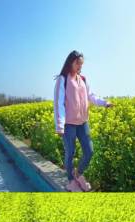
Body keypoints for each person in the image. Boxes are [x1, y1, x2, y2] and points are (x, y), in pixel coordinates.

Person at [53, 50, 113, 192]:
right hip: (68, 124)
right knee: (70, 153)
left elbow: (91, 95)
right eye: (77, 63)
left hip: (83, 122)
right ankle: (70, 182)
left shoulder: (83, 79)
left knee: (89, 151)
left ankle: (78, 174)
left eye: (81, 64)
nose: (80, 66)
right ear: (70, 62)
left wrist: (104, 103)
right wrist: (60, 125)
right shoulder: (63, 79)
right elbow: (59, 103)